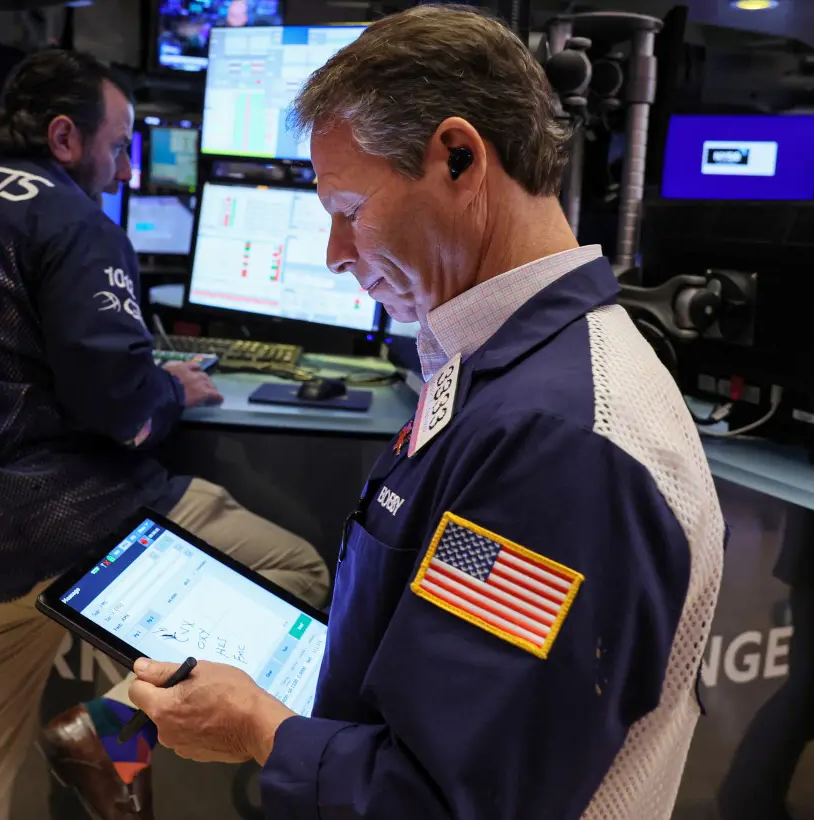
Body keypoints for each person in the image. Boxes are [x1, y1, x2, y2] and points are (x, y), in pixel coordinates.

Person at [127, 7, 725, 818]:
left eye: (347, 206)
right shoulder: (494, 369)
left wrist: (262, 731)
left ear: (458, 157)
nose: (337, 253)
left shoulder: (561, 446)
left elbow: (450, 803)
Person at [0, 48, 329, 820]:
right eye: (119, 147)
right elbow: (122, 411)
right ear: (65, 138)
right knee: (300, 574)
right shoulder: (71, 222)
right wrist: (172, 389)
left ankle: (107, 748)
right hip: (75, 531)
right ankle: (110, 732)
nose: (124, 171)